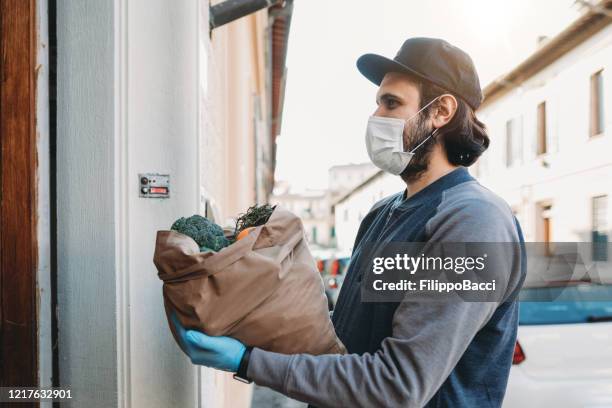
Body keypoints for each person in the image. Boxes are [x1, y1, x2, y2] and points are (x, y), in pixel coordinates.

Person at [169, 37, 526, 407]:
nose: (376, 118)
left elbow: (397, 385)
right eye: (377, 104)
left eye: (392, 103)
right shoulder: (382, 213)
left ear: (441, 112)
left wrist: (247, 361)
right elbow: (341, 341)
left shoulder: (473, 221)